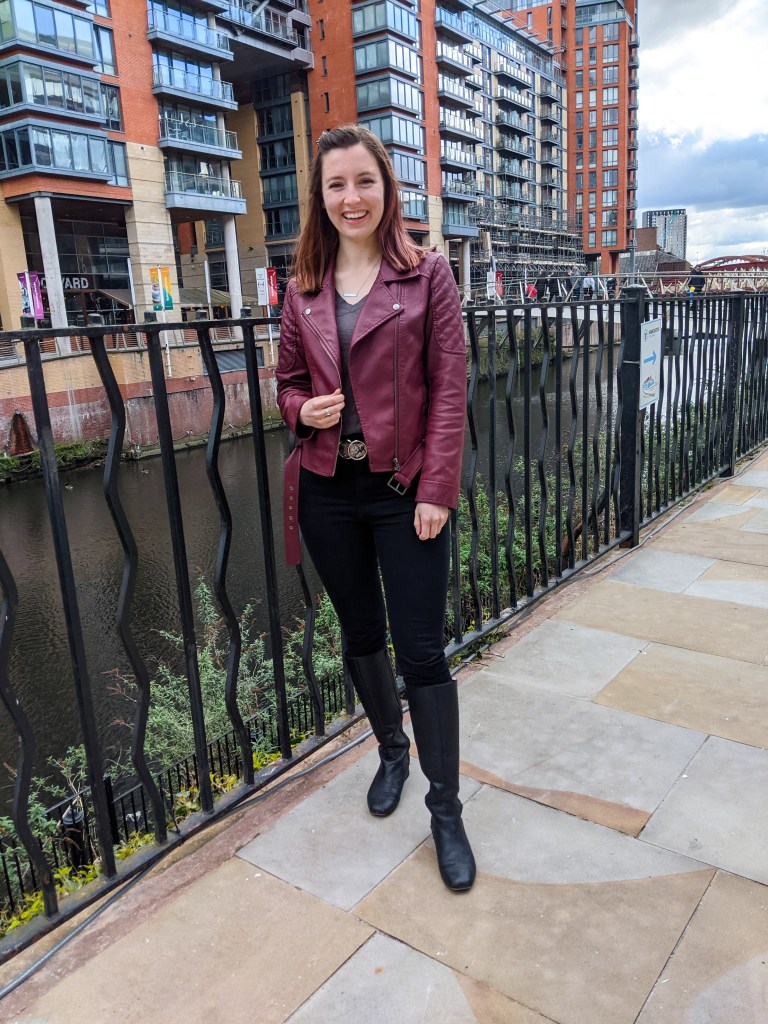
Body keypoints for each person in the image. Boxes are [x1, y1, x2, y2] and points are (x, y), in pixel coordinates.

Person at [275, 125, 475, 892]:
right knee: (360, 634)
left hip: (403, 491)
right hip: (328, 490)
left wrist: (436, 490)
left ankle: (446, 810)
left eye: (364, 181)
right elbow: (286, 380)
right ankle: (391, 747)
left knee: (422, 651)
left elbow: (450, 393)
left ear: (386, 189)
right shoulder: (303, 288)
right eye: (336, 185)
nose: (351, 197)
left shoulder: (428, 277)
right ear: (320, 199)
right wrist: (303, 413)